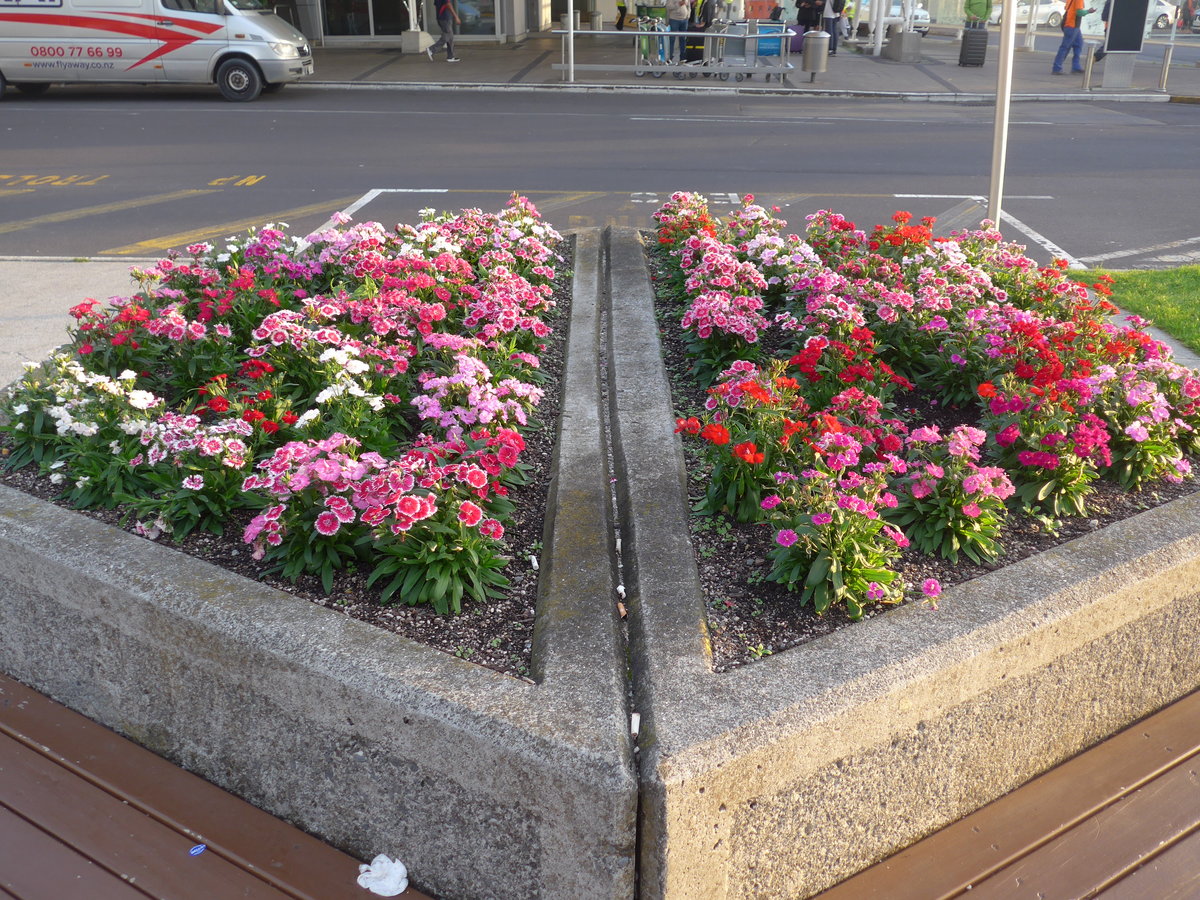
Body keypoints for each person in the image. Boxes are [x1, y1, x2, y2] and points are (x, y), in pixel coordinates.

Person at [1052, 0, 1095, 74]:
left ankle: (1076, 66)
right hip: (1072, 26)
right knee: (1065, 47)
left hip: (1070, 25)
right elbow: (1079, 12)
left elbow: (1068, 8)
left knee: (1078, 44)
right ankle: (1057, 68)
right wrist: (1088, 11)